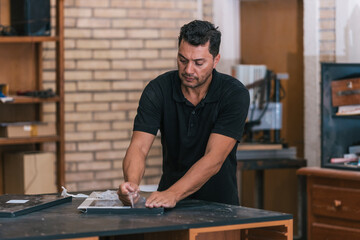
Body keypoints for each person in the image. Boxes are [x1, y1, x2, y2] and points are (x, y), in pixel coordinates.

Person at [117, 20, 249, 208]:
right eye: (182, 60)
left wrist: (173, 193)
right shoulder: (158, 90)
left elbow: (214, 158)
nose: (188, 70)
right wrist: (131, 185)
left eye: (198, 63)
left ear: (215, 60)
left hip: (219, 206)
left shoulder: (234, 94)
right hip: (166, 205)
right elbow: (138, 147)